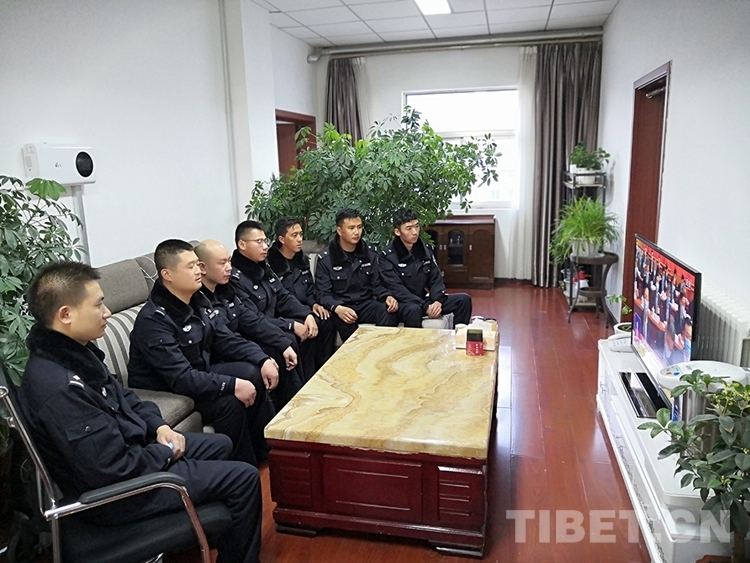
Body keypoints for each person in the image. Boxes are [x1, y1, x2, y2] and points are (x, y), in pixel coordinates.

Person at [18, 261, 261, 563]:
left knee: (221, 443)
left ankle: (201, 534)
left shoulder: (76, 354)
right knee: (245, 478)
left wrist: (160, 427)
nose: (107, 312)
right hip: (119, 494)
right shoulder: (59, 389)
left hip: (133, 451)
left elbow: (125, 397)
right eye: (98, 305)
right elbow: (112, 470)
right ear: (66, 314)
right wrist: (166, 453)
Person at [128, 239, 276, 467]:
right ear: (167, 274)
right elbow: (181, 378)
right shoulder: (154, 321)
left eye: (198, 264)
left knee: (252, 371)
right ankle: (243, 467)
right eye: (191, 266)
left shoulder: (197, 300)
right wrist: (232, 385)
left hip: (198, 371)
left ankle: (268, 453)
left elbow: (224, 338)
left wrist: (262, 358)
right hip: (168, 388)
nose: (199, 271)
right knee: (229, 402)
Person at [194, 239, 305, 407]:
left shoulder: (225, 289)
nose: (229, 268)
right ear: (202, 267)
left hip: (236, 345)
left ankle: (295, 406)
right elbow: (224, 340)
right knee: (255, 367)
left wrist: (282, 343)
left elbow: (251, 319)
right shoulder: (198, 299)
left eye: (229, 261)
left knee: (282, 345)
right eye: (222, 263)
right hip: (220, 356)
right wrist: (261, 358)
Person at [230, 220, 321, 381]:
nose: (265, 246)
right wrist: (290, 325)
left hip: (272, 324)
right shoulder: (235, 278)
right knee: (288, 338)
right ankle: (294, 391)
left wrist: (306, 314)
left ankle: (309, 382)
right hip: (254, 332)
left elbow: (283, 296)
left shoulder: (263, 267)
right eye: (259, 242)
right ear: (242, 244)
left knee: (309, 328)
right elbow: (253, 319)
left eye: (265, 241)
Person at [315, 208, 399, 342]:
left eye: (359, 227)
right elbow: (323, 294)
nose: (357, 232)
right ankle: (357, 352)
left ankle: (380, 348)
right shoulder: (326, 259)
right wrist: (337, 308)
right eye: (351, 228)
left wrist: (387, 296)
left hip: (365, 304)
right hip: (342, 306)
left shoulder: (370, 254)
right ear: (339, 231)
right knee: (343, 321)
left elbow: (377, 284)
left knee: (388, 311)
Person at [267, 217, 335, 378]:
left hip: (304, 309)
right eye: (294, 235)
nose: (299, 239)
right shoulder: (271, 265)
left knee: (327, 319)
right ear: (282, 239)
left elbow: (310, 289)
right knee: (307, 330)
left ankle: (325, 367)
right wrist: (305, 314)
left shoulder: (302, 260)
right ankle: (307, 377)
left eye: (301, 234)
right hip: (285, 314)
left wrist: (314, 305)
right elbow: (280, 301)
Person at [380, 208, 472, 327]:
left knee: (464, 300)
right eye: (409, 228)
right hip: (405, 303)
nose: (415, 232)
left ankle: (458, 335)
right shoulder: (387, 256)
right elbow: (398, 290)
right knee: (414, 309)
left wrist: (437, 301)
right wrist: (425, 307)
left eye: (417, 226)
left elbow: (436, 279)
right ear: (397, 232)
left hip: (423, 299)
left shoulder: (425, 250)